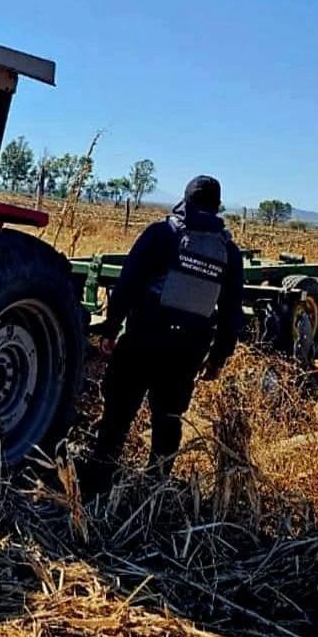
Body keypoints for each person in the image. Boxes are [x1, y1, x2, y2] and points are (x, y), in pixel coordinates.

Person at [81, 175, 244, 495]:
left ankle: (97, 486)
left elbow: (127, 285)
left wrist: (111, 330)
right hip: (188, 350)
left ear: (186, 201)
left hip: (144, 339)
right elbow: (230, 313)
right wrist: (218, 358)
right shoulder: (229, 252)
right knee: (168, 419)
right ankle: (155, 489)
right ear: (216, 206)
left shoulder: (162, 234)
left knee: (118, 414)